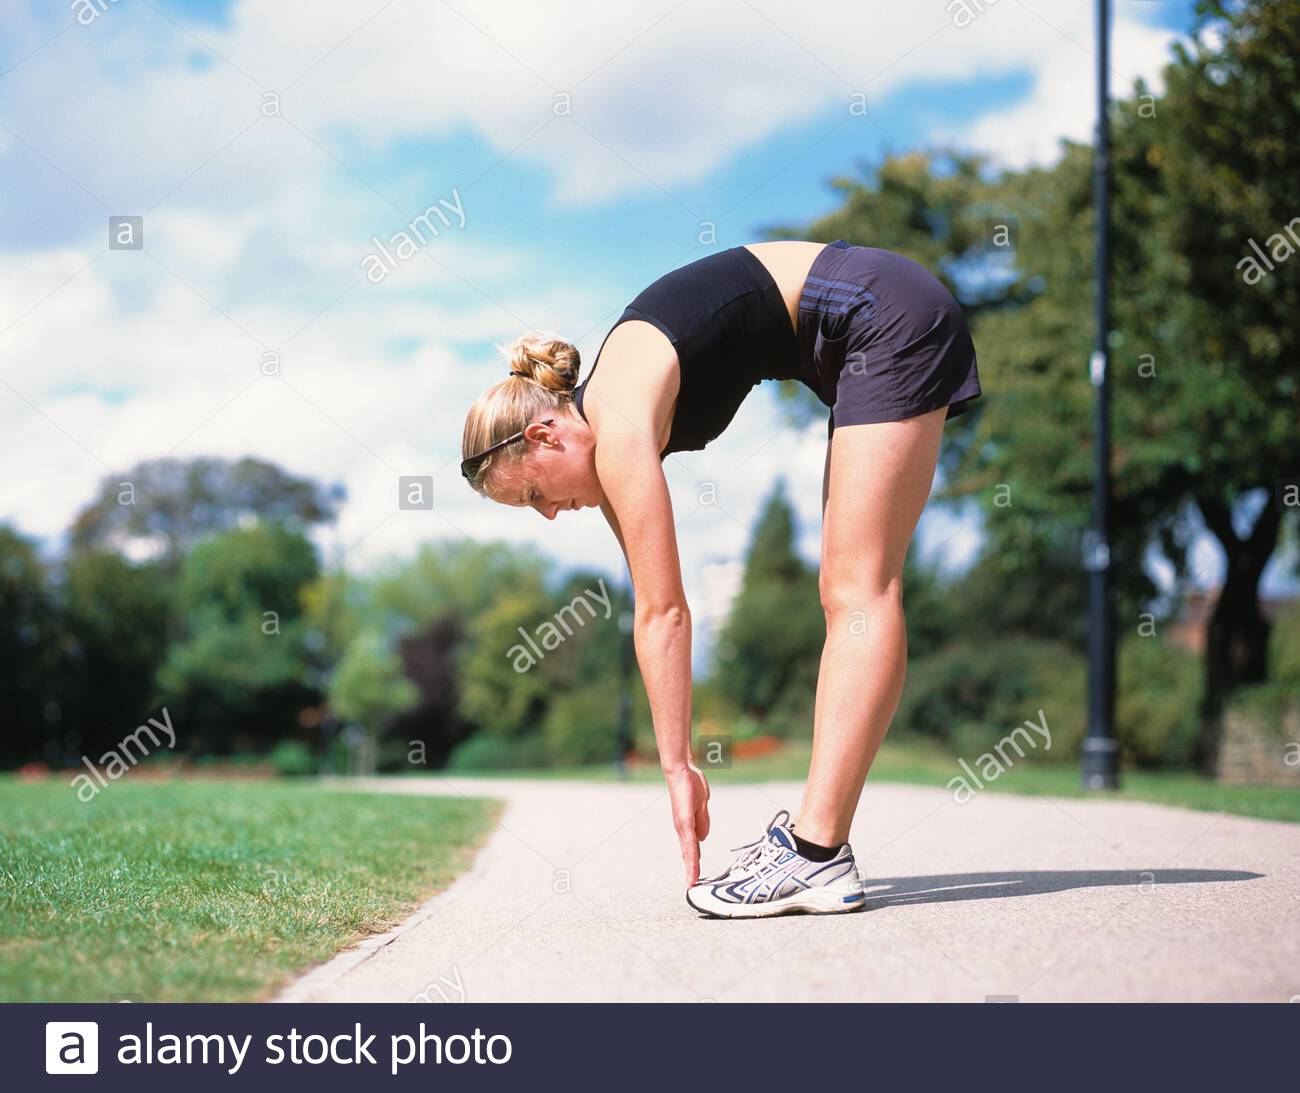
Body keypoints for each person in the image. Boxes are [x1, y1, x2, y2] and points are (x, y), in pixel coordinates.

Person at [460, 239, 981, 918]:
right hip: (865, 327)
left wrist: (677, 768)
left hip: (880, 312)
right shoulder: (615, 426)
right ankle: (818, 848)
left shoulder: (615, 424)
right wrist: (675, 760)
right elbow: (655, 605)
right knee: (851, 589)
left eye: (534, 495)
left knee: (858, 590)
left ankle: (817, 852)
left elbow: (664, 615)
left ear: (544, 437)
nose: (552, 515)